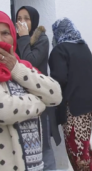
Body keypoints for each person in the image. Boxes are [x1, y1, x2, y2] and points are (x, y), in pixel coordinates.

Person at [0, 11, 62, 171]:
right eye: (19, 19)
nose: (0, 38)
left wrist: (16, 69)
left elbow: (55, 94)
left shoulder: (21, 64)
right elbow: (3, 110)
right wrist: (38, 102)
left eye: (5, 33)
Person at [49, 18, 92, 171]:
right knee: (83, 145)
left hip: (74, 108)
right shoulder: (83, 46)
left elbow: (59, 79)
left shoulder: (59, 50)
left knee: (77, 153)